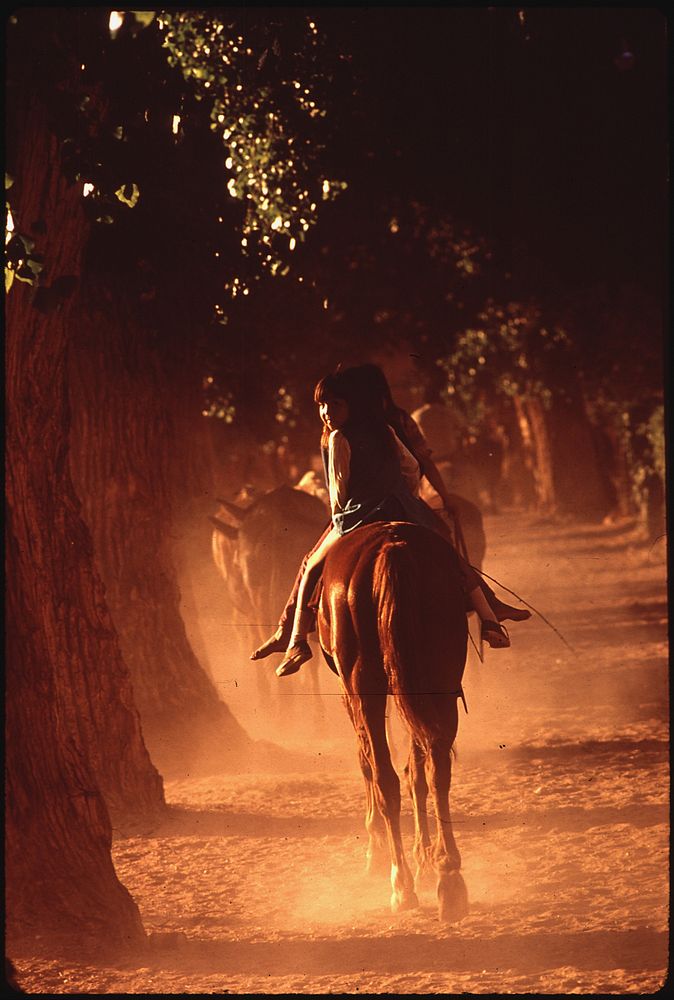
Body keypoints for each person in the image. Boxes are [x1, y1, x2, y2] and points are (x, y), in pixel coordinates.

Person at [252, 367, 514, 679]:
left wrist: (340, 519)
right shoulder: (386, 429)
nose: (326, 412)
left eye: (334, 405)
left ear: (352, 405)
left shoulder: (337, 438)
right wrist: (406, 498)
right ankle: (488, 617)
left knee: (310, 565)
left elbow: (338, 488)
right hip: (402, 507)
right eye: (322, 406)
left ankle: (295, 640)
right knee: (448, 554)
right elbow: (412, 466)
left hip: (357, 515)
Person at [343, 364, 531, 625]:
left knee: (316, 563)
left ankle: (299, 625)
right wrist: (442, 496)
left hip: (360, 507)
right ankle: (488, 603)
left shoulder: (348, 426)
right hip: (413, 491)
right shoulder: (401, 419)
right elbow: (420, 462)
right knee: (446, 542)